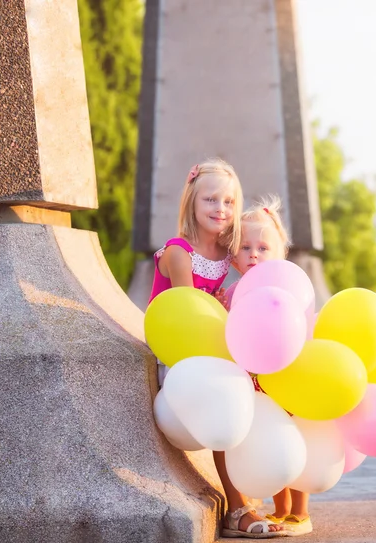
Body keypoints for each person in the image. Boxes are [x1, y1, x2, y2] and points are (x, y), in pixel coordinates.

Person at [148, 159, 286, 538]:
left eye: (228, 201)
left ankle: (260, 494)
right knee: (226, 400)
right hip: (180, 356)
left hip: (212, 350)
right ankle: (237, 507)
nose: (220, 209)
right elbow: (188, 317)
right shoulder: (179, 252)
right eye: (210, 199)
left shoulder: (228, 252)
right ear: (192, 200)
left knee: (255, 389)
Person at [226, 196, 313, 537]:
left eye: (263, 248)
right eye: (245, 247)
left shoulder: (289, 287)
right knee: (270, 440)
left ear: (281, 255)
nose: (253, 254)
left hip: (287, 377)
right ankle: (281, 508)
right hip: (255, 381)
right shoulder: (233, 292)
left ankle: (300, 511)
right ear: (233, 255)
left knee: (294, 436)